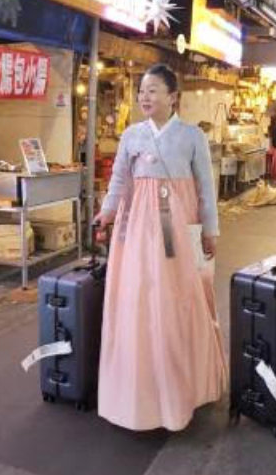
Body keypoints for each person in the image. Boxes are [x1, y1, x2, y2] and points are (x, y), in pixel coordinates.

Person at [93, 64, 227, 431]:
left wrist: (210, 230)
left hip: (180, 229)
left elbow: (205, 186)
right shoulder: (131, 135)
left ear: (173, 97)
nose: (145, 97)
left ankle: (182, 389)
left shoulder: (192, 136)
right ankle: (139, 392)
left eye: (153, 90)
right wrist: (107, 212)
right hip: (137, 228)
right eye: (142, 91)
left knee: (179, 297)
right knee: (139, 296)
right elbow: (119, 180)